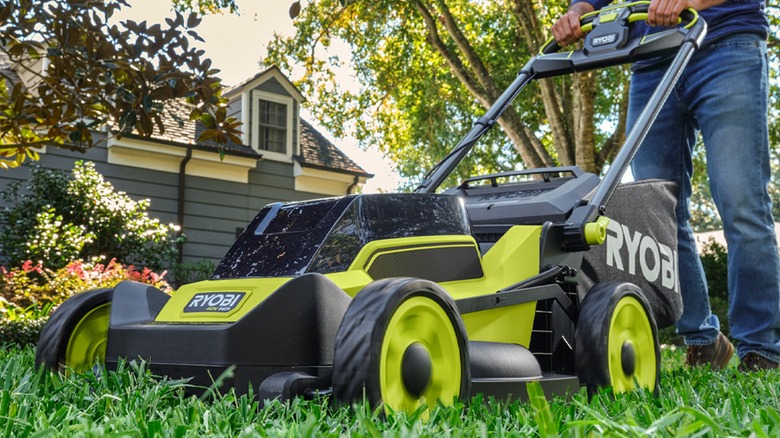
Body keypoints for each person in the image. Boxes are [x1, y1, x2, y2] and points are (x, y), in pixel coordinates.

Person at [553, 0, 780, 371]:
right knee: (659, 210)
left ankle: (760, 348)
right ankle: (703, 341)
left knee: (741, 202)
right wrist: (579, 11)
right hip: (651, 58)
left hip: (725, 43)